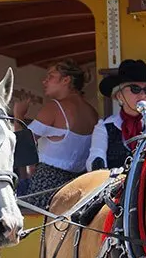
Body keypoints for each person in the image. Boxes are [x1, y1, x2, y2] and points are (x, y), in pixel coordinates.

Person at [13, 59, 99, 208]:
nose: (44, 81)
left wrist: (18, 115)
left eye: (50, 76)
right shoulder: (92, 113)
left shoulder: (54, 108)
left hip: (46, 187)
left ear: (66, 80)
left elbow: (21, 147)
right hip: (78, 187)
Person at [86, 59, 146, 171]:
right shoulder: (104, 127)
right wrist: (99, 166)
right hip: (116, 185)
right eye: (135, 89)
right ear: (119, 96)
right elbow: (96, 154)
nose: (143, 94)